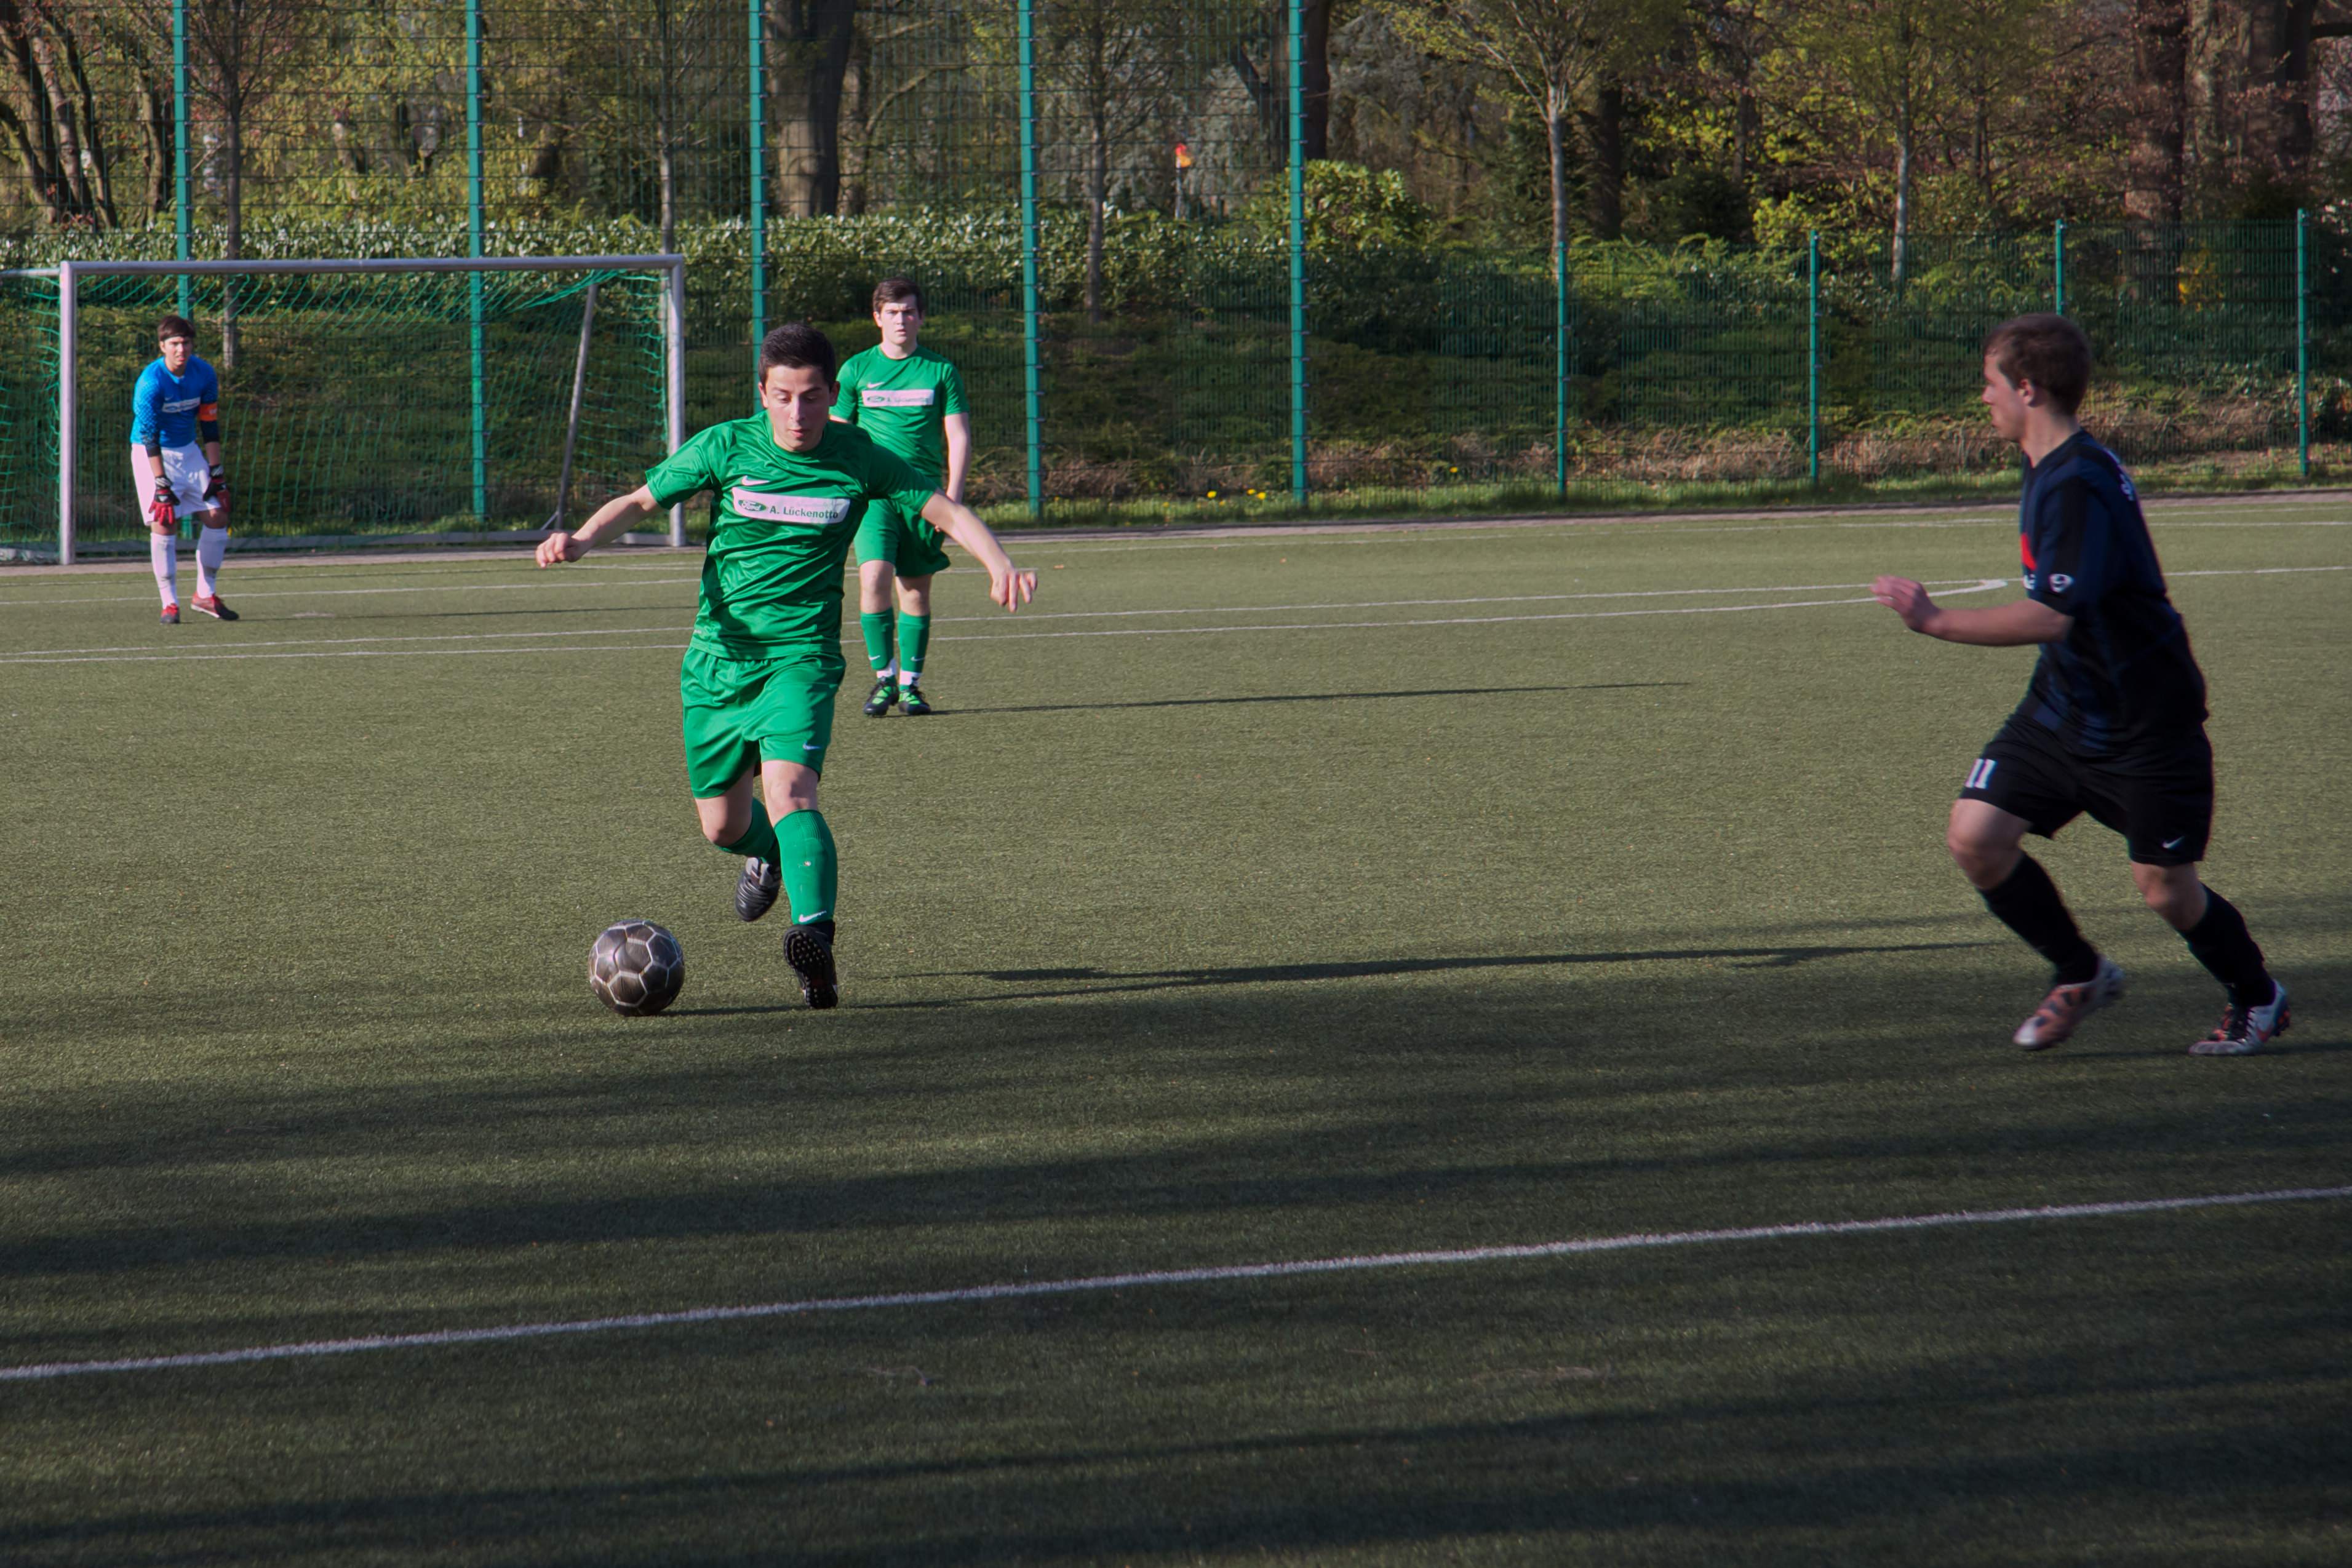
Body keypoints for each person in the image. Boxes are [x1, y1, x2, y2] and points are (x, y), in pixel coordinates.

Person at [536, 322, 1035, 1009]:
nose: (797, 413)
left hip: (802, 658)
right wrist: (583, 539)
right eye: (782, 396)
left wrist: (998, 561)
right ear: (762, 393)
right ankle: (770, 854)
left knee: (791, 792)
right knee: (721, 827)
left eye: (811, 397)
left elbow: (942, 508)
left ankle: (814, 941)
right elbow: (642, 500)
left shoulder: (859, 455)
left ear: (833, 393)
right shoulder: (726, 444)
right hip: (717, 662)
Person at [1872, 313, 2287, 1056]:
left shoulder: (2076, 483)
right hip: (2064, 707)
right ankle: (2081, 971)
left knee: (2166, 888)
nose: (1983, 396)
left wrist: (1933, 620)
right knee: (1975, 836)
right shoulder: (2048, 461)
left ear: (2028, 388)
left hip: (2144, 721)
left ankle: (2258, 996)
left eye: (1990, 383)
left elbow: (2050, 616)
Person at [833, 277, 970, 718]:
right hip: (873, 495)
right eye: (892, 312)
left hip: (924, 496)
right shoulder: (855, 370)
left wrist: (952, 501)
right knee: (873, 578)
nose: (901, 319)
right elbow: (838, 434)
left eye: (908, 311)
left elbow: (958, 435)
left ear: (921, 317)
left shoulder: (940, 371)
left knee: (914, 589)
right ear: (877, 317)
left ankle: (911, 686)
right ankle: (884, 678)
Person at [131, 314, 234, 624]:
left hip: (188, 451)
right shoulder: (150, 382)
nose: (181, 349)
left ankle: (205, 594)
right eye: (175, 343)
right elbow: (149, 436)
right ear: (162, 346)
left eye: (186, 343)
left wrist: (216, 471)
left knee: (217, 515)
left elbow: (210, 424)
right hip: (151, 454)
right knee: (164, 522)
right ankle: (169, 603)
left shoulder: (204, 373)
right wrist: (161, 483)